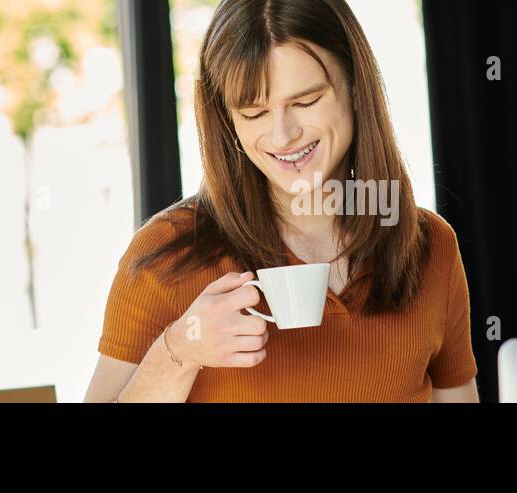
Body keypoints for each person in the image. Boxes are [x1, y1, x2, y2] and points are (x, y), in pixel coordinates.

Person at [84, 0, 477, 402]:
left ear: (356, 90)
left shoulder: (429, 246)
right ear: (229, 122)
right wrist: (180, 352)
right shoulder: (167, 255)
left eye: (305, 102)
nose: (283, 135)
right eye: (254, 113)